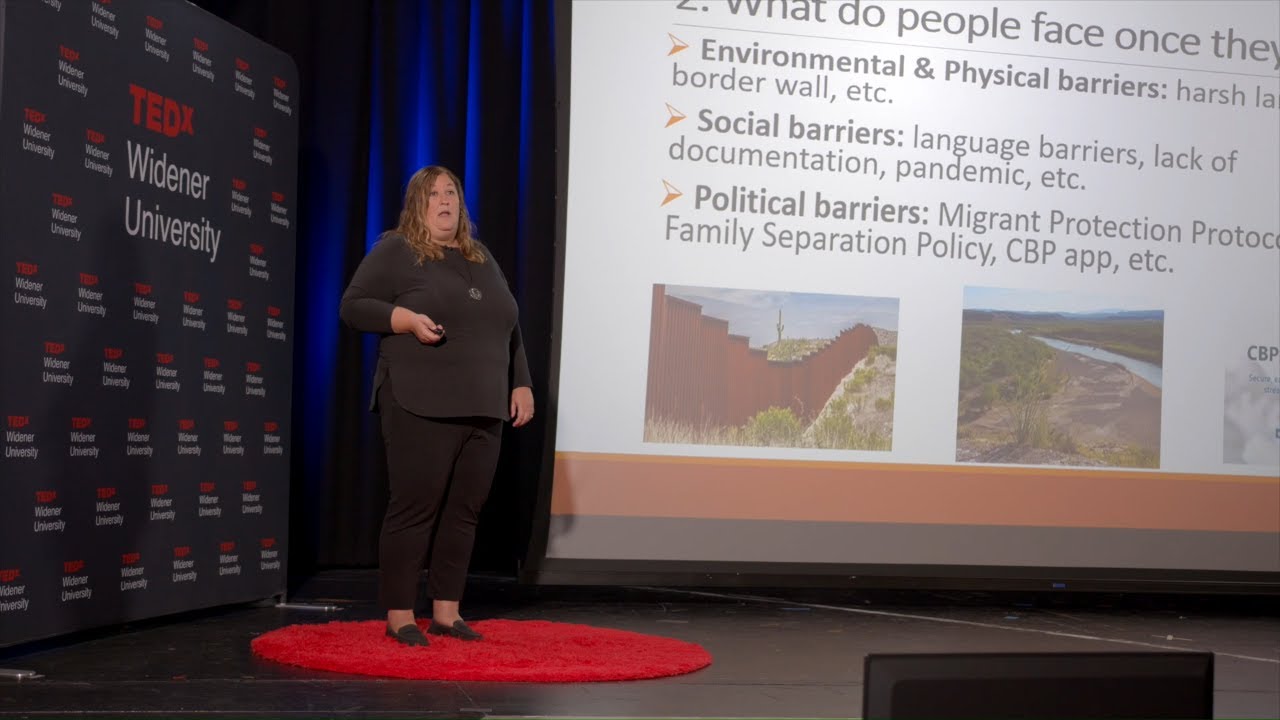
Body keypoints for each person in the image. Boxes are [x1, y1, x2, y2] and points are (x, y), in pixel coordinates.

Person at [339, 165, 534, 646]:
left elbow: (508, 324)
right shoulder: (397, 250)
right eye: (433, 194)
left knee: (465, 511)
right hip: (419, 399)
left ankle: (447, 612)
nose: (444, 200)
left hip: (484, 403)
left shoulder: (480, 256)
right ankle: (401, 615)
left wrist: (521, 382)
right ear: (417, 205)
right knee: (414, 508)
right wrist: (403, 318)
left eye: (451, 192)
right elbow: (353, 306)